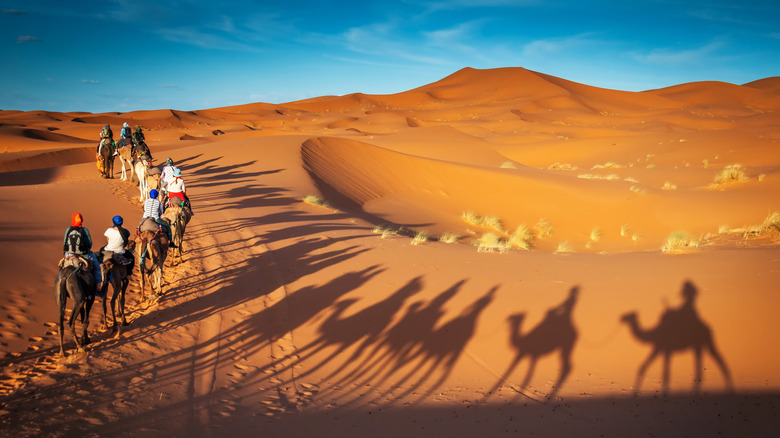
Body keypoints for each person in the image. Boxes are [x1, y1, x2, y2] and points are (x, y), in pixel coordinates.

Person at [63, 212, 102, 296]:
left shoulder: (68, 230)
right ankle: (98, 287)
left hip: (69, 255)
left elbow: (65, 242)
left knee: (61, 268)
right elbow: (89, 244)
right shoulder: (84, 230)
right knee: (97, 267)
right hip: (84, 255)